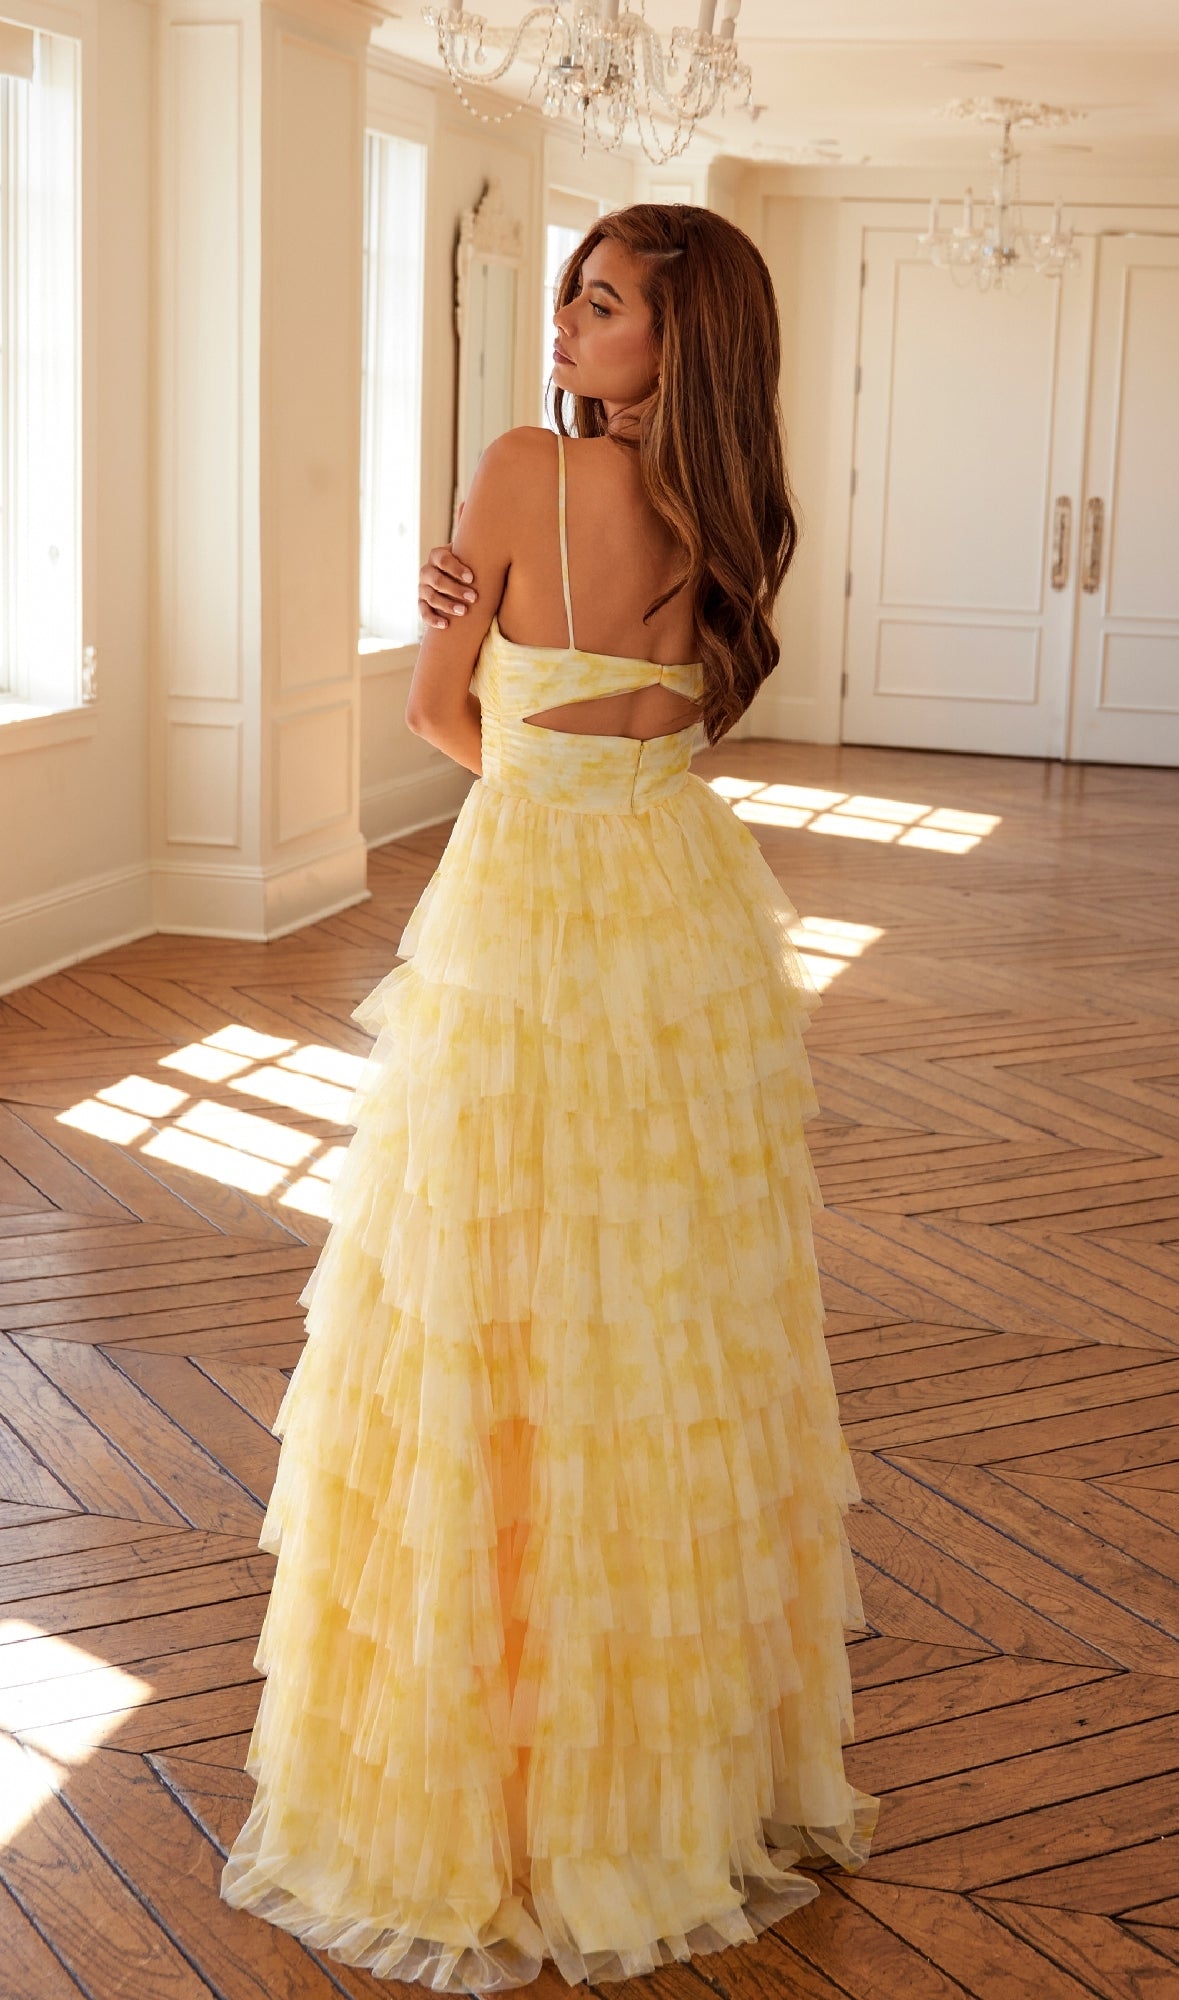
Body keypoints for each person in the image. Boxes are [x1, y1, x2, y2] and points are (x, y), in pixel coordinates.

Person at [220, 201, 877, 1991]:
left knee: (481, 1286)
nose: (565, 328)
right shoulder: (742, 512)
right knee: (668, 1305)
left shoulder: (522, 468)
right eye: (573, 297)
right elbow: (680, 723)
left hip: (524, 908)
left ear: (681, 340)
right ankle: (659, 1780)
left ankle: (486, 1768)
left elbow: (450, 725)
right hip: (682, 914)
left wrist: (492, 672)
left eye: (602, 305)